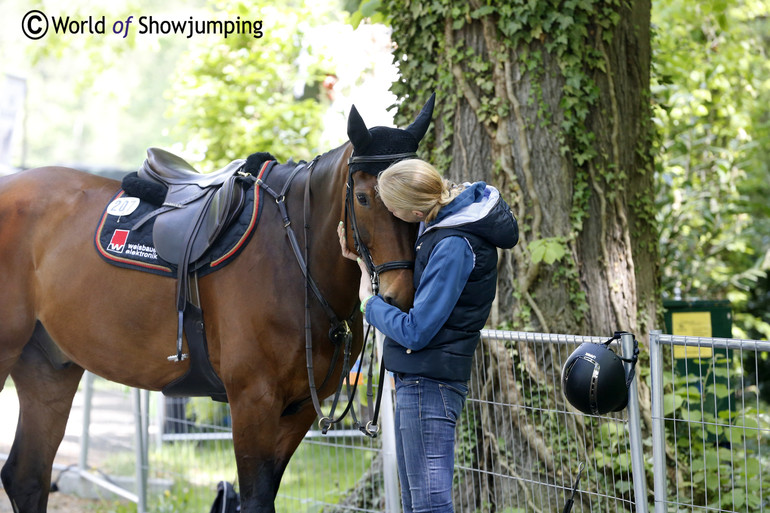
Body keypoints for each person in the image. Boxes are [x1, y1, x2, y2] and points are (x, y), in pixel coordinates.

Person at [338, 158, 518, 513]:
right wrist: (362, 263)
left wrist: (368, 304)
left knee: (428, 507)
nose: (391, 214)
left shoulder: (454, 244)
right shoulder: (440, 222)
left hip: (429, 385)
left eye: (392, 209)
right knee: (417, 504)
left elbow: (418, 331)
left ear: (415, 211)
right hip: (420, 381)